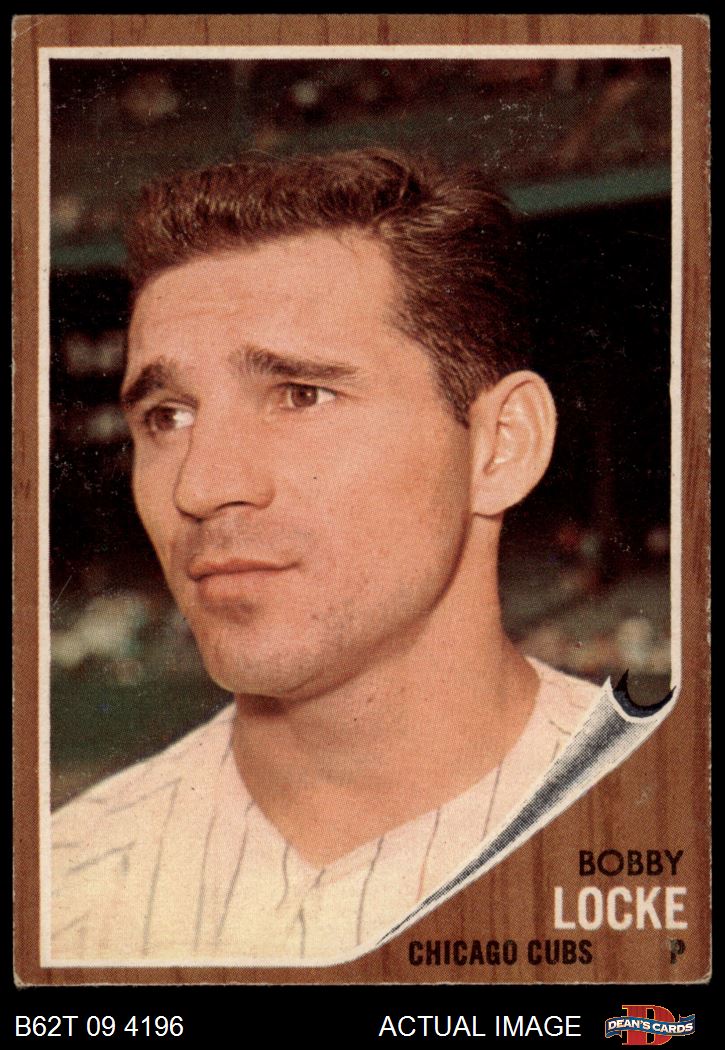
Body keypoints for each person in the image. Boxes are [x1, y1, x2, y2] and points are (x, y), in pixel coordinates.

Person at [50, 148, 671, 965]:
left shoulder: (672, 845)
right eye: (167, 416)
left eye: (300, 395)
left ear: (500, 446)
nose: (200, 486)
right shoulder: (59, 889)